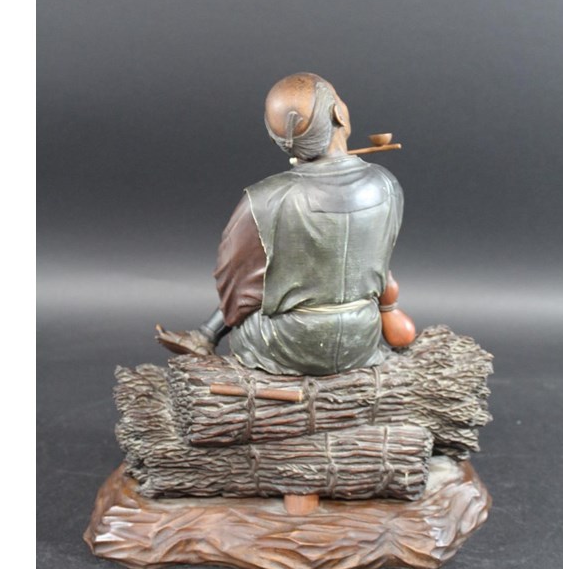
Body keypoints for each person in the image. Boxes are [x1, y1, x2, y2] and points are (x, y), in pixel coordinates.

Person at [158, 72, 406, 376]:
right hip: (362, 337)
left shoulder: (265, 198)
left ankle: (206, 335)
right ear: (338, 114)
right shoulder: (386, 185)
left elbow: (234, 279)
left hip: (290, 343)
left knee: (256, 287)